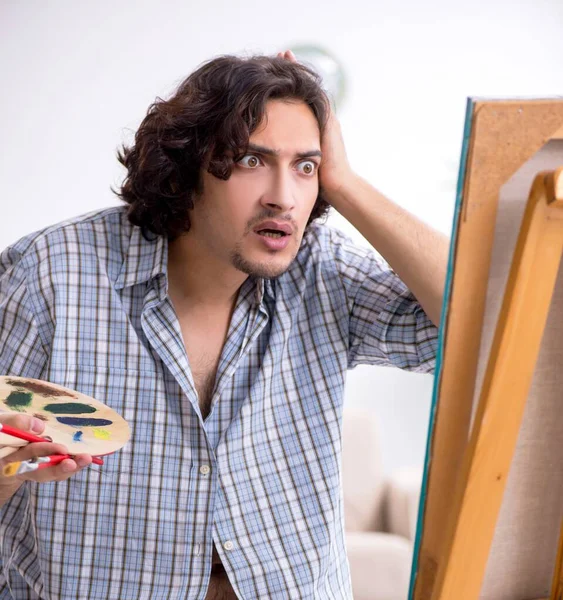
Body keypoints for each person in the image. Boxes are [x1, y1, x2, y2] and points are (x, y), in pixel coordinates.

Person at [0, 50, 447, 599]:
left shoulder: (321, 269)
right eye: (253, 161)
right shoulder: (55, 274)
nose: (283, 197)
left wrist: (347, 182)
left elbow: (477, 329)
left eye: (305, 167)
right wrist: (10, 472)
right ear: (187, 168)